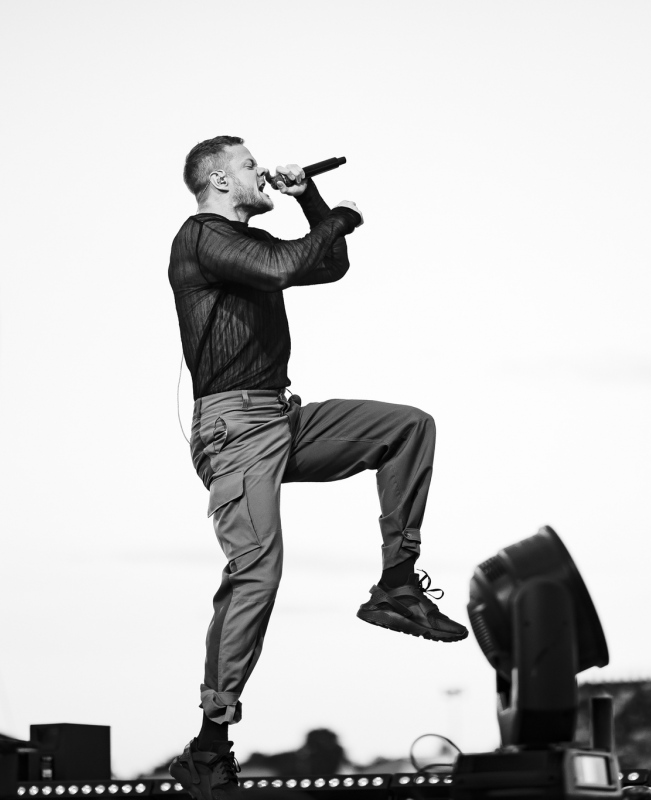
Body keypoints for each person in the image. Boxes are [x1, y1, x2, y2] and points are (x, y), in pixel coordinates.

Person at [166, 136, 467, 799]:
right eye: (248, 165)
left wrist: (313, 199)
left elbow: (327, 266)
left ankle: (396, 586)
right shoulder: (201, 236)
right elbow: (284, 266)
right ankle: (209, 745)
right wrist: (341, 217)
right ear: (219, 179)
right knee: (257, 571)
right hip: (233, 430)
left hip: (279, 415)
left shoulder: (243, 241)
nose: (260, 171)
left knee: (406, 427)